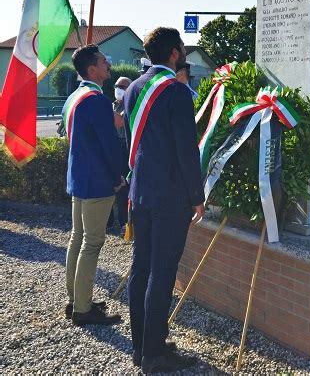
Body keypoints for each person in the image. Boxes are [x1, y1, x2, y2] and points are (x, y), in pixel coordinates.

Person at [124, 27, 205, 373]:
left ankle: (141, 345)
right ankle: (154, 354)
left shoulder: (133, 89)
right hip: (170, 197)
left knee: (140, 268)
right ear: (174, 53)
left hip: (139, 191)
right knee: (161, 272)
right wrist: (197, 197)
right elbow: (187, 151)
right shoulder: (177, 92)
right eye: (182, 50)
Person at [63, 45, 125, 326]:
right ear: (92, 70)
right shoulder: (97, 100)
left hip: (79, 177)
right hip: (97, 180)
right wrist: (118, 176)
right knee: (92, 243)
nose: (108, 65)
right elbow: (108, 144)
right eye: (103, 61)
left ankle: (76, 300)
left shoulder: (76, 96)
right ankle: (84, 310)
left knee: (78, 239)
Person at [110, 76, 132, 231]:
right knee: (109, 185)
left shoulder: (132, 106)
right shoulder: (111, 106)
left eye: (123, 87)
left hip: (125, 149)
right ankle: (108, 222)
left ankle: (125, 222)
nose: (119, 89)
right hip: (111, 149)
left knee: (124, 188)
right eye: (117, 86)